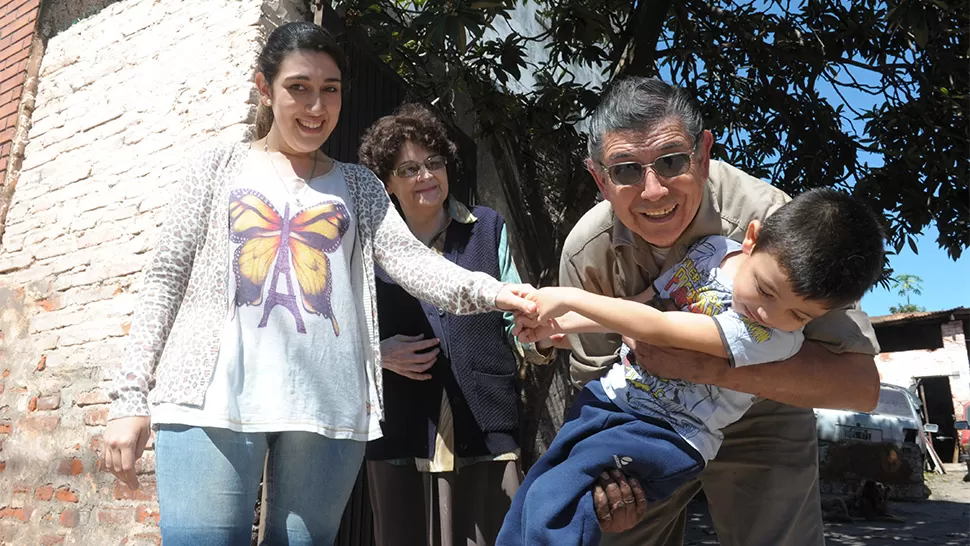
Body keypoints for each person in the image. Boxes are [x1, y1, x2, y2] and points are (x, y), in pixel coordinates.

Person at [100, 22, 537, 546]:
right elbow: (166, 276)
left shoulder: (359, 186)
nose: (316, 106)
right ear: (265, 88)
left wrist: (497, 292)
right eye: (298, 87)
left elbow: (417, 265)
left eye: (329, 89)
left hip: (325, 414)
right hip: (208, 405)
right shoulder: (217, 167)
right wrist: (130, 397)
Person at [555, 77, 883, 545]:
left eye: (671, 161)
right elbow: (592, 383)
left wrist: (708, 366)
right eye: (626, 170)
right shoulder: (587, 253)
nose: (652, 191)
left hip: (764, 408)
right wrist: (607, 479)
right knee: (606, 526)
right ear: (599, 178)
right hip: (646, 411)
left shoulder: (774, 221)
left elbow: (860, 386)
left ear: (703, 153)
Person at [498, 188, 886, 545]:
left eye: (799, 314)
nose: (768, 313)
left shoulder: (770, 337)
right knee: (536, 489)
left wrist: (569, 299)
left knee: (565, 494)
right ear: (750, 240)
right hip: (613, 401)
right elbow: (643, 306)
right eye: (765, 289)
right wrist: (561, 325)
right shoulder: (711, 251)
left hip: (666, 434)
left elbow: (662, 327)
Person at [357, 103, 556, 546]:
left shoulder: (487, 228)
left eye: (434, 162)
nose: (426, 176)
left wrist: (538, 344)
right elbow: (341, 332)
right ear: (387, 182)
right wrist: (379, 353)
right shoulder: (366, 248)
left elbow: (513, 318)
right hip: (400, 434)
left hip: (485, 425)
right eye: (408, 168)